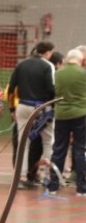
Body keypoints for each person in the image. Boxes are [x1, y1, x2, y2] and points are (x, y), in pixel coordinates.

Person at [7, 41, 56, 188]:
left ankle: (20, 177)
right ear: (48, 52)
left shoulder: (22, 64)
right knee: (48, 141)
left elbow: (11, 89)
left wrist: (11, 110)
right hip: (41, 107)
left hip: (22, 106)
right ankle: (47, 175)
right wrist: (51, 108)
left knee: (23, 143)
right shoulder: (48, 66)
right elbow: (51, 89)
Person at [46, 48, 86, 197]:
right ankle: (81, 188)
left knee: (59, 148)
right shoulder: (83, 73)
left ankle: (53, 186)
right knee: (80, 149)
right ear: (81, 59)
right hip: (81, 113)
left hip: (61, 114)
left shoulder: (58, 73)